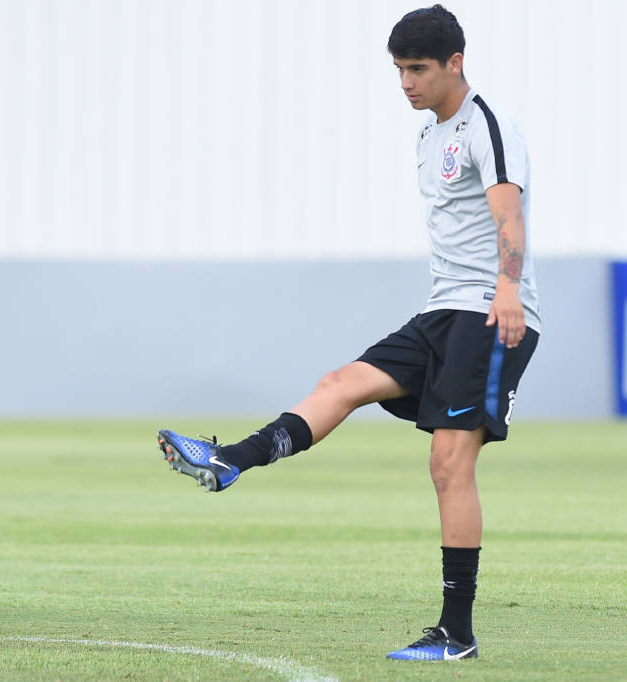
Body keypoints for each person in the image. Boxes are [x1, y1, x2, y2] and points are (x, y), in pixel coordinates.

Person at [156, 4, 540, 662]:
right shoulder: (428, 134)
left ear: (455, 63)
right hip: (442, 312)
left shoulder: (488, 125)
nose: (406, 83)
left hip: (488, 313)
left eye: (417, 69)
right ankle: (230, 461)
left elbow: (509, 215)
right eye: (398, 70)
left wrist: (508, 290)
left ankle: (457, 634)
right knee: (341, 383)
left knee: (449, 464)